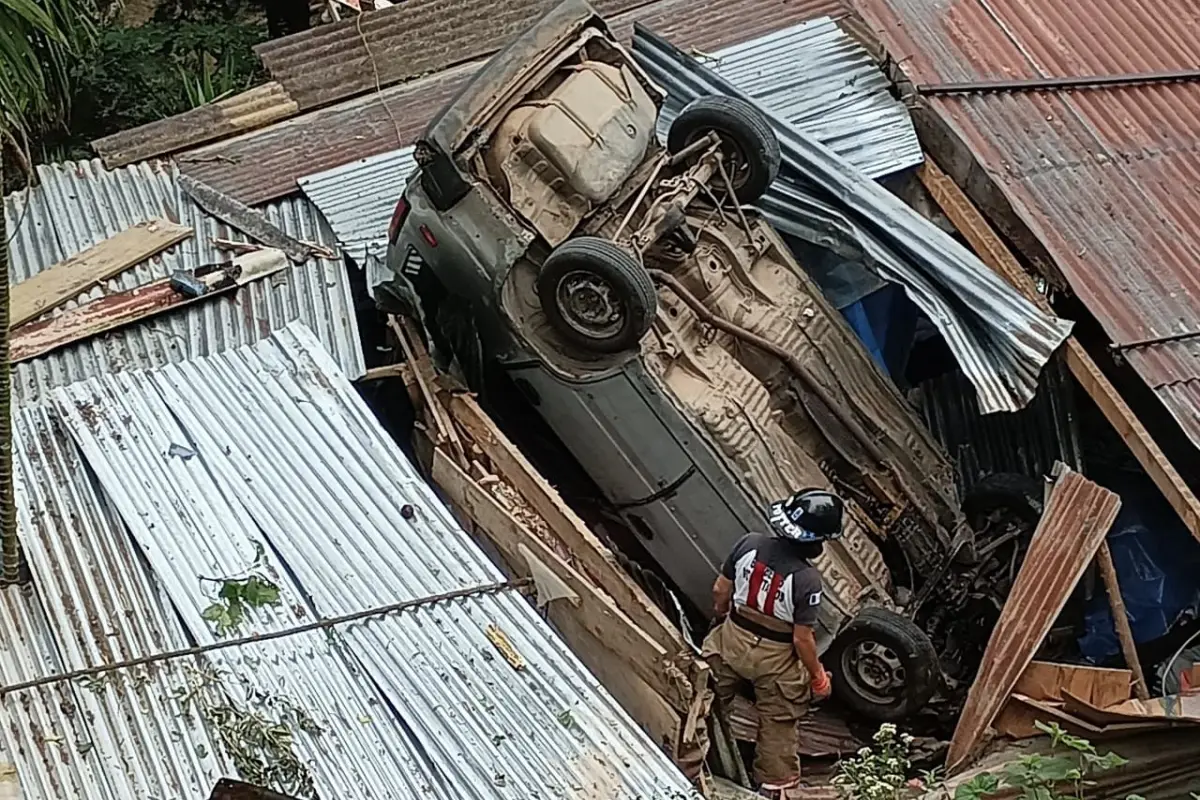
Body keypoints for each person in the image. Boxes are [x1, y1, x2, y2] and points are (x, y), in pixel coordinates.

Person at [702, 488, 842, 799]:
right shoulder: (808, 580)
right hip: (776, 658)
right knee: (779, 719)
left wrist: (723, 617)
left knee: (705, 698)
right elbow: (802, 639)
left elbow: (719, 591)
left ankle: (698, 749)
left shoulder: (748, 543)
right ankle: (774, 785)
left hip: (732, 640)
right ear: (817, 541)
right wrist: (819, 678)